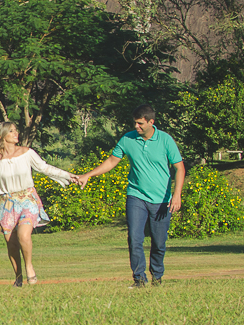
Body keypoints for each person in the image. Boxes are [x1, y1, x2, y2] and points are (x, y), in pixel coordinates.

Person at [77, 104, 185, 288]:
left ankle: (157, 277)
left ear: (151, 122)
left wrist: (177, 195)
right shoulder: (128, 139)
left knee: (159, 243)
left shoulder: (165, 140)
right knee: (135, 239)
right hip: (136, 196)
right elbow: (112, 161)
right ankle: (139, 279)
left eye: (140, 123)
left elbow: (179, 168)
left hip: (162, 200)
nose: (137, 126)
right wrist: (88, 175)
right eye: (135, 123)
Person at [0, 121, 76, 286]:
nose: (16, 134)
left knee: (24, 235)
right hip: (6, 203)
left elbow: (45, 168)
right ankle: (18, 277)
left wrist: (68, 176)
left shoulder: (26, 152)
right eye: (11, 131)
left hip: (27, 199)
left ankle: (29, 267)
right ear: (2, 136)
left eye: (16, 130)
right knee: (11, 243)